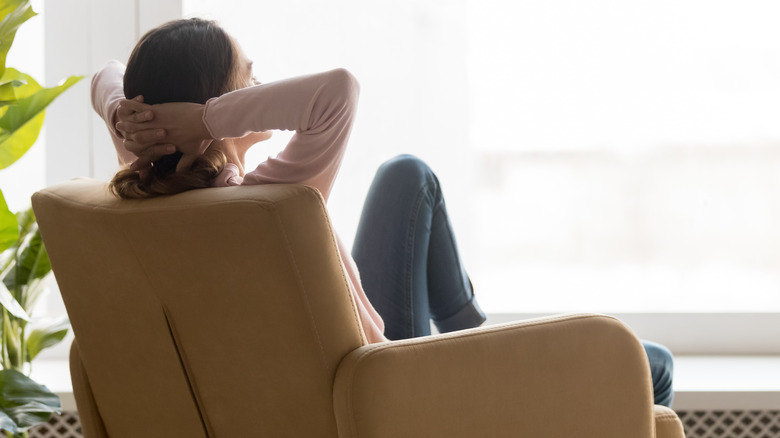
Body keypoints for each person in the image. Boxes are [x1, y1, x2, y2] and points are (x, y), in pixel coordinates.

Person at [92, 17, 674, 407]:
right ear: (214, 107)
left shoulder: (149, 184)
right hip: (386, 383)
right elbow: (338, 91)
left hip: (353, 368)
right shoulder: (269, 200)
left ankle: (474, 335)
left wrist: (134, 118)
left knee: (407, 176)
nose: (257, 87)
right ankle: (479, 345)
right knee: (654, 367)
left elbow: (105, 76)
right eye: (245, 81)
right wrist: (208, 118)